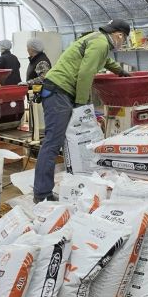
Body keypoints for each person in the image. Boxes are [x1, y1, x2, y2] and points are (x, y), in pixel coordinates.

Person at [33, 19, 131, 202]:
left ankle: (72, 182)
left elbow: (104, 60)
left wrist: (120, 71)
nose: (123, 43)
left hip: (61, 91)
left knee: (62, 141)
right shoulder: (101, 43)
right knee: (53, 142)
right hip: (58, 91)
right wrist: (81, 104)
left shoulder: (98, 39)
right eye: (124, 39)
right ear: (119, 35)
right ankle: (42, 193)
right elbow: (86, 73)